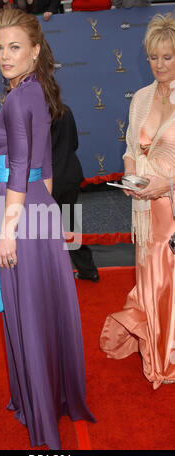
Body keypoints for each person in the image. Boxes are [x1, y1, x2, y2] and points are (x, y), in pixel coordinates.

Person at [0, 8, 95, 450]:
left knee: (28, 313)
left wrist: (8, 230)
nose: (5, 55)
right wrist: (38, 213)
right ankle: (51, 399)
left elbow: (16, 167)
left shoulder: (16, 99)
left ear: (34, 51)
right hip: (38, 211)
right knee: (41, 309)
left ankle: (42, 416)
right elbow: (42, 171)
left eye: (15, 47)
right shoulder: (38, 92)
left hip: (19, 217)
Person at [100, 13, 175, 389]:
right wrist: (130, 177)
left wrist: (167, 183)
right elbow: (131, 145)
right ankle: (157, 348)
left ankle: (167, 355)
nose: (160, 65)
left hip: (172, 209)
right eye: (153, 57)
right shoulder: (142, 97)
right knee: (150, 279)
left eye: (168, 57)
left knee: (168, 284)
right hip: (144, 210)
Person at [51, 104, 99, 282]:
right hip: (70, 173)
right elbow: (74, 143)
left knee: (41, 229)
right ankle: (88, 270)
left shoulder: (35, 111)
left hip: (49, 178)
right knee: (70, 225)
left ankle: (51, 277)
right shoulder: (65, 109)